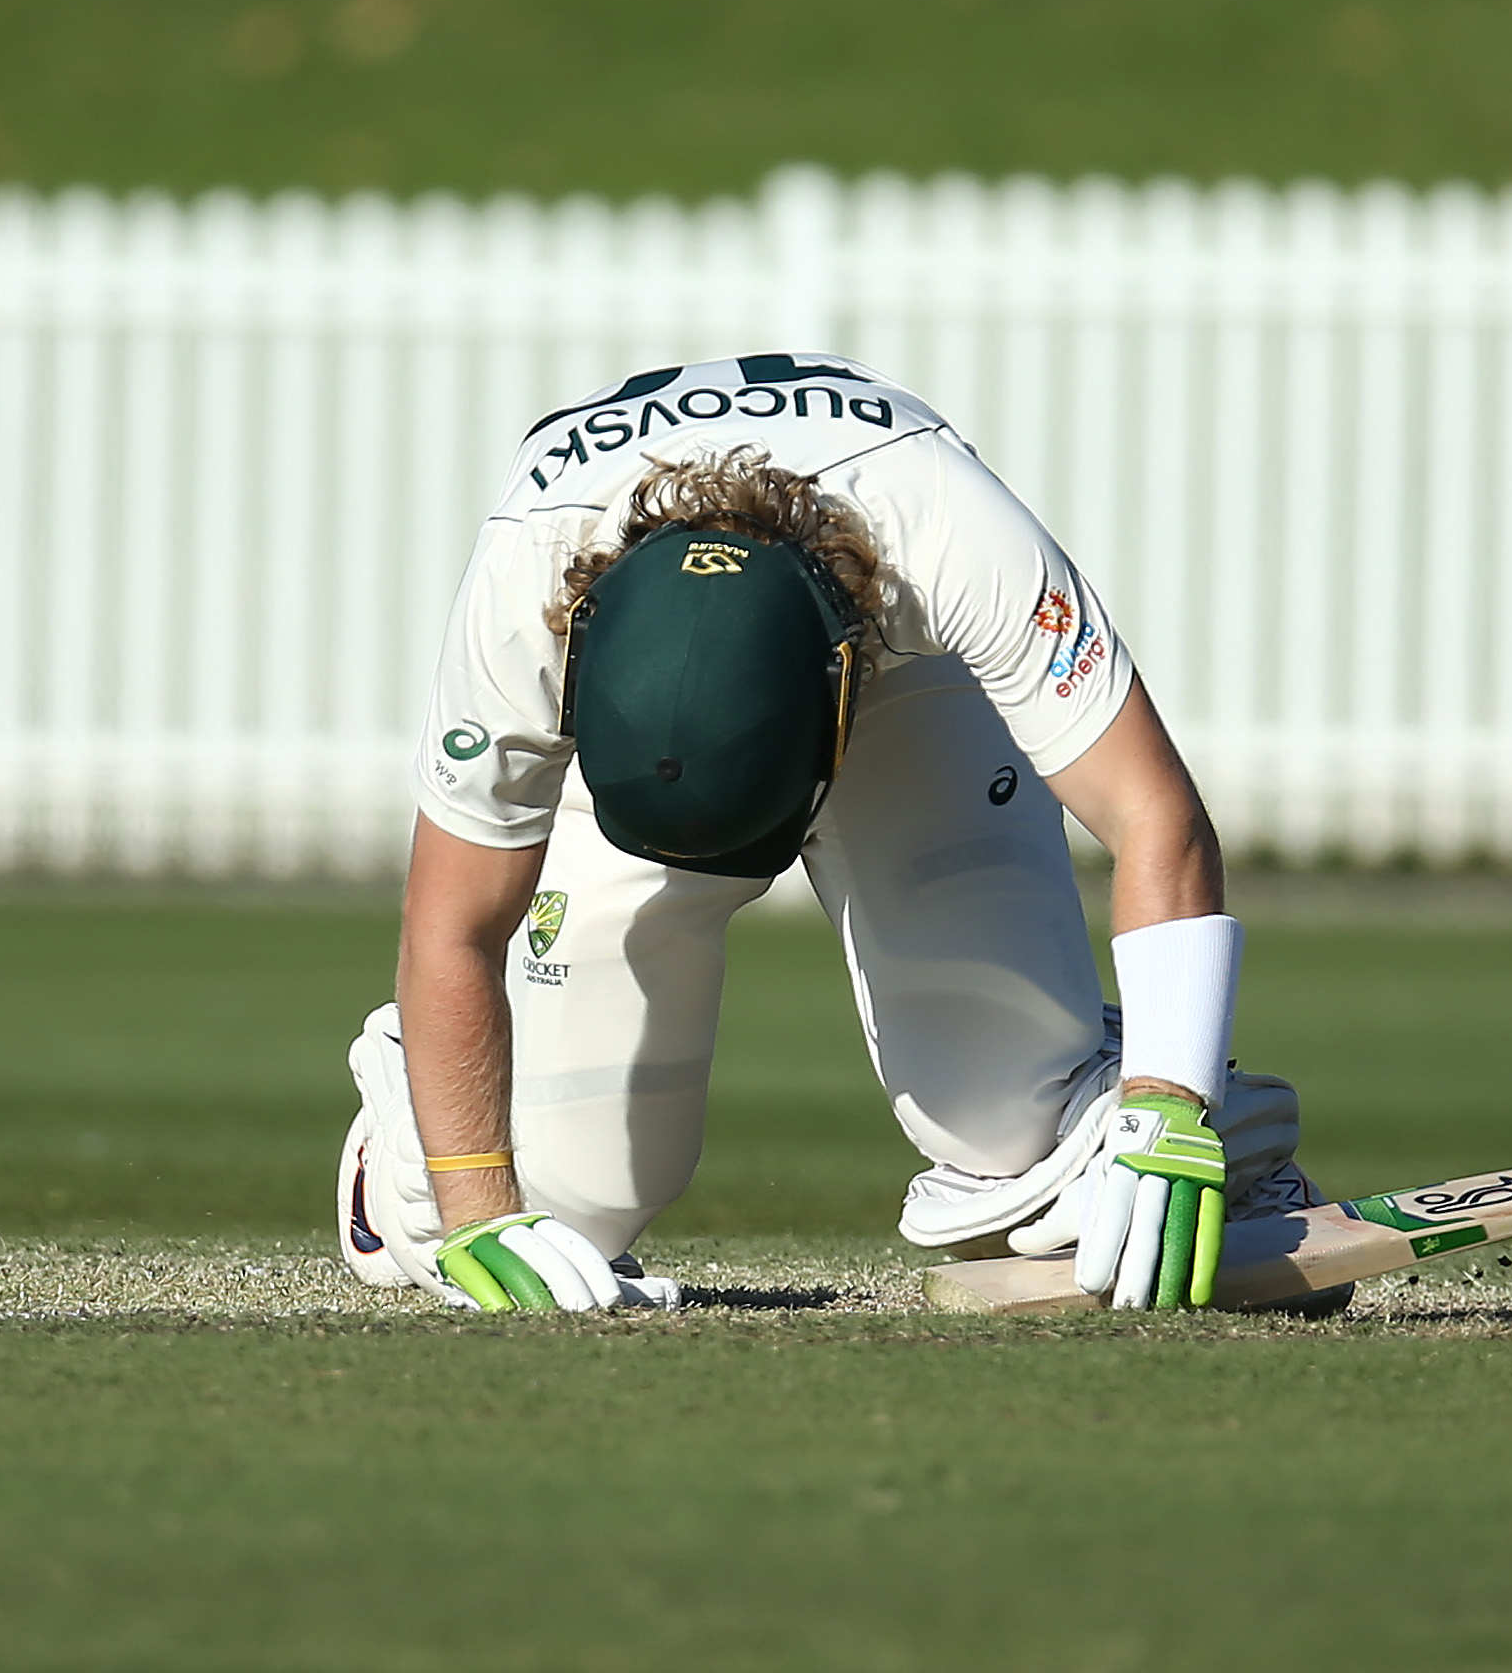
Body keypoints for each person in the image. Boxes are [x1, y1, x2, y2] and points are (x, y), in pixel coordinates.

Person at [336, 351, 1331, 1312]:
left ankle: (1195, 1125)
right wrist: (472, 1208)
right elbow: (451, 926)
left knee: (1009, 1122)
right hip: (645, 723)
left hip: (900, 652)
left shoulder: (946, 532)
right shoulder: (524, 592)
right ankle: (402, 1136)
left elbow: (1155, 812)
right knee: (550, 1204)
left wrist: (1168, 1100)